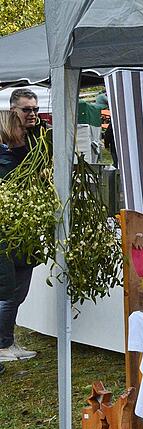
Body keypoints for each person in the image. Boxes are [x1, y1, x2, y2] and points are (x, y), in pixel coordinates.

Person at [0, 89, 46, 366]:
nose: (32, 114)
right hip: (6, 229)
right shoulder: (4, 150)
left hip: (25, 228)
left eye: (35, 109)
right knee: (6, 289)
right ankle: (2, 345)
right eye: (26, 109)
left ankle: (8, 339)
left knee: (20, 289)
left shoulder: (35, 142)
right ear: (11, 111)